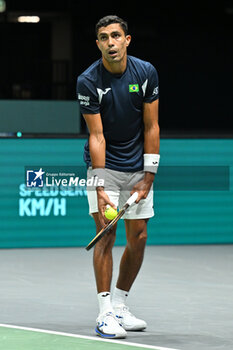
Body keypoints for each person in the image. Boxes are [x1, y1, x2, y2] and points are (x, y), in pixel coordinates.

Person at [76, 15, 160, 339]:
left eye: (115, 36)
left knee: (138, 237)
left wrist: (148, 176)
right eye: (103, 38)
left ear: (127, 40)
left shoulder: (146, 72)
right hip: (105, 165)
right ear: (97, 44)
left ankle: (122, 305)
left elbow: (151, 126)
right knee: (106, 234)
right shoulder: (88, 80)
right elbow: (96, 136)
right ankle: (104, 312)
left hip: (138, 165)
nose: (110, 42)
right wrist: (99, 186)